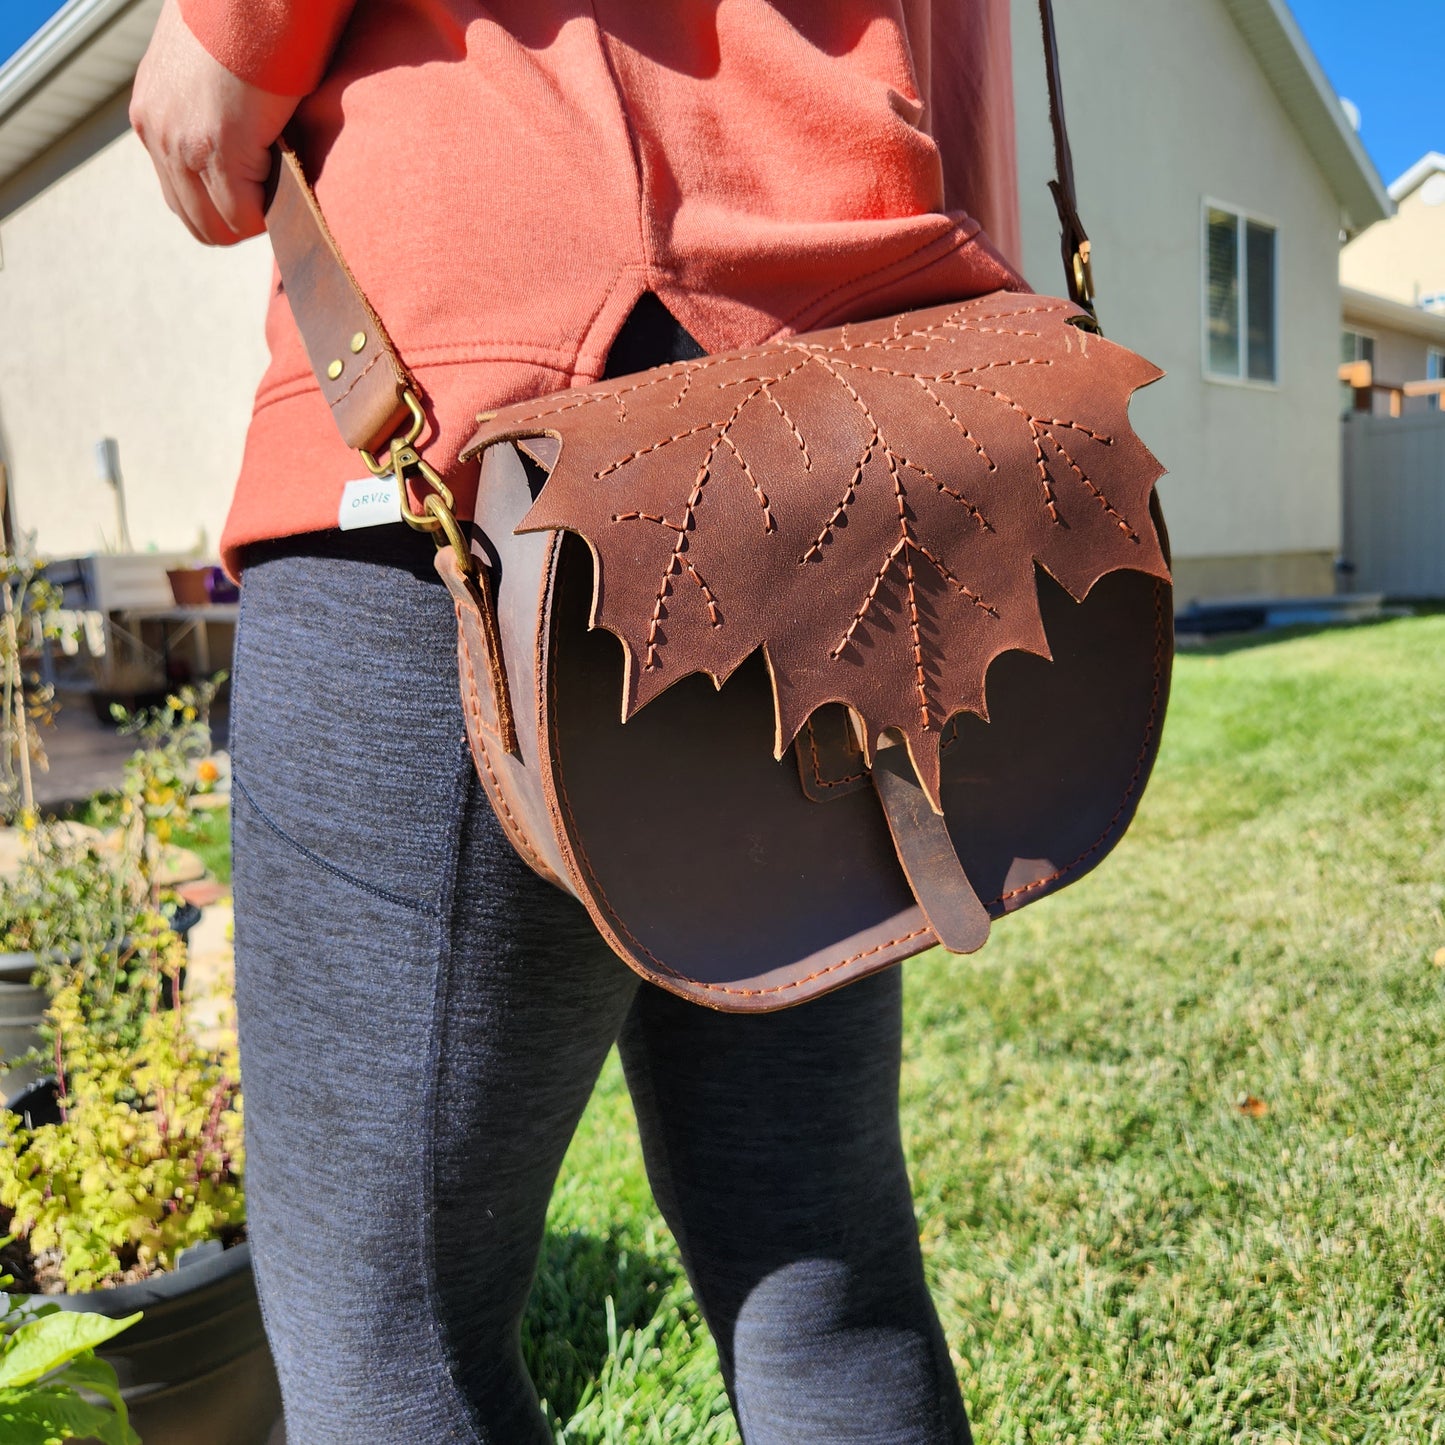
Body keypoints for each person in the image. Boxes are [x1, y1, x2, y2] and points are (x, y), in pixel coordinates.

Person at [131, 3, 1024, 1440]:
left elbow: (216, 110)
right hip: (832, 406)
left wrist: (230, 29)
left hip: (479, 388)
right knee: (817, 1253)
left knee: (386, 1333)